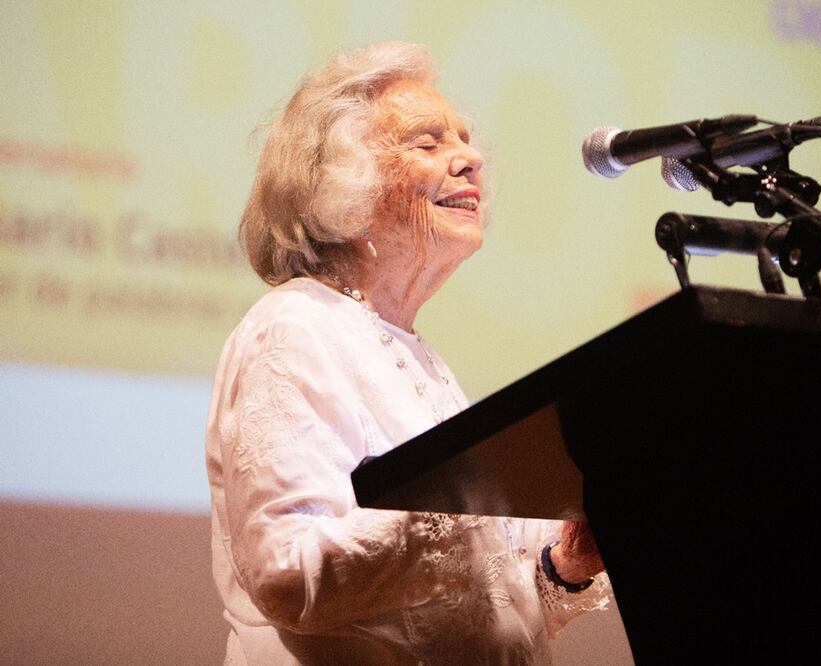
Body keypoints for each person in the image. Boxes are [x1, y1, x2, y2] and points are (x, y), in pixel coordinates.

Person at [205, 42, 609, 665]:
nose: (471, 158)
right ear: (342, 184)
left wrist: (564, 566)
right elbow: (289, 573)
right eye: (427, 143)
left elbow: (477, 609)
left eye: (465, 139)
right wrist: (470, 505)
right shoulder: (293, 329)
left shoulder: (414, 353)